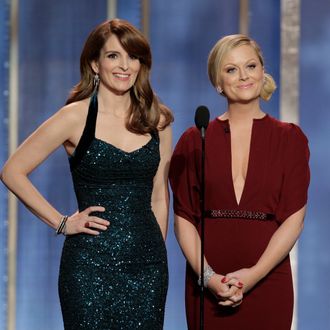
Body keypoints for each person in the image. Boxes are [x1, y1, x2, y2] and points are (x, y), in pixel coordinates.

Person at [1, 18, 173, 329]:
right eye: (113, 56)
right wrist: (62, 222)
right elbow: (12, 171)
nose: (125, 66)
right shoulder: (75, 117)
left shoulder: (156, 118)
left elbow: (159, 193)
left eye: (133, 56)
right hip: (89, 267)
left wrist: (155, 253)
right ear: (95, 64)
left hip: (148, 267)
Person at [169, 34, 310, 330]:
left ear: (262, 72)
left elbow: (294, 219)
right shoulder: (194, 139)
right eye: (231, 69)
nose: (244, 75)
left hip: (269, 279)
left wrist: (254, 275)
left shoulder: (290, 138)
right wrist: (208, 277)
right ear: (218, 82)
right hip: (208, 280)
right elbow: (184, 218)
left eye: (251, 66)